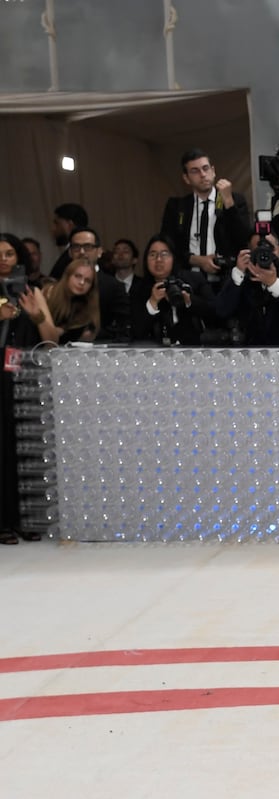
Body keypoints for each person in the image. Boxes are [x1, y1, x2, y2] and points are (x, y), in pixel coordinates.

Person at [0, 233, 44, 544]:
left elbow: (49, 330)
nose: (3, 259)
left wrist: (34, 314)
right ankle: (3, 520)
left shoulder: (30, 289)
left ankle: (26, 518)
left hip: (23, 372)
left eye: (9, 254)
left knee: (25, 447)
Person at [159, 148, 251, 290]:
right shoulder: (177, 207)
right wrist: (196, 260)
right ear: (186, 178)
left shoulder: (234, 200)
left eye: (205, 168)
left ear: (213, 171)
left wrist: (228, 202)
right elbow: (168, 244)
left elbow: (243, 239)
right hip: (189, 281)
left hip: (228, 280)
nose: (202, 174)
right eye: (195, 171)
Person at [215, 229, 279, 346]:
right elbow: (221, 311)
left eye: (270, 249)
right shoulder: (241, 277)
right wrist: (238, 273)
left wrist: (274, 284)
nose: (265, 255)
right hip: (250, 352)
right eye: (258, 250)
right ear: (249, 253)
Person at [131, 234, 215, 346]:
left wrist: (189, 300)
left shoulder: (193, 280)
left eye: (164, 254)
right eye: (153, 255)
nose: (158, 259)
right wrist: (152, 303)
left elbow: (214, 312)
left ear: (173, 258)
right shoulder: (138, 288)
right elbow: (136, 331)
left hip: (193, 350)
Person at [66, 228, 132, 343]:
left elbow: (123, 328)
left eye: (87, 247)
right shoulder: (60, 285)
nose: (81, 252)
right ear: (70, 252)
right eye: (76, 247)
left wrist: (90, 334)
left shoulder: (114, 286)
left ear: (99, 251)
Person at [18, 258, 100, 345]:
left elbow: (59, 340)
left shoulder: (85, 310)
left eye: (87, 280)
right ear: (67, 276)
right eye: (77, 276)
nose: (82, 282)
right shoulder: (46, 292)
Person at [48, 202, 88, 280]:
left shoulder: (79, 255)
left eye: (57, 223)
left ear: (70, 225)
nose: (53, 229)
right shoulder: (69, 252)